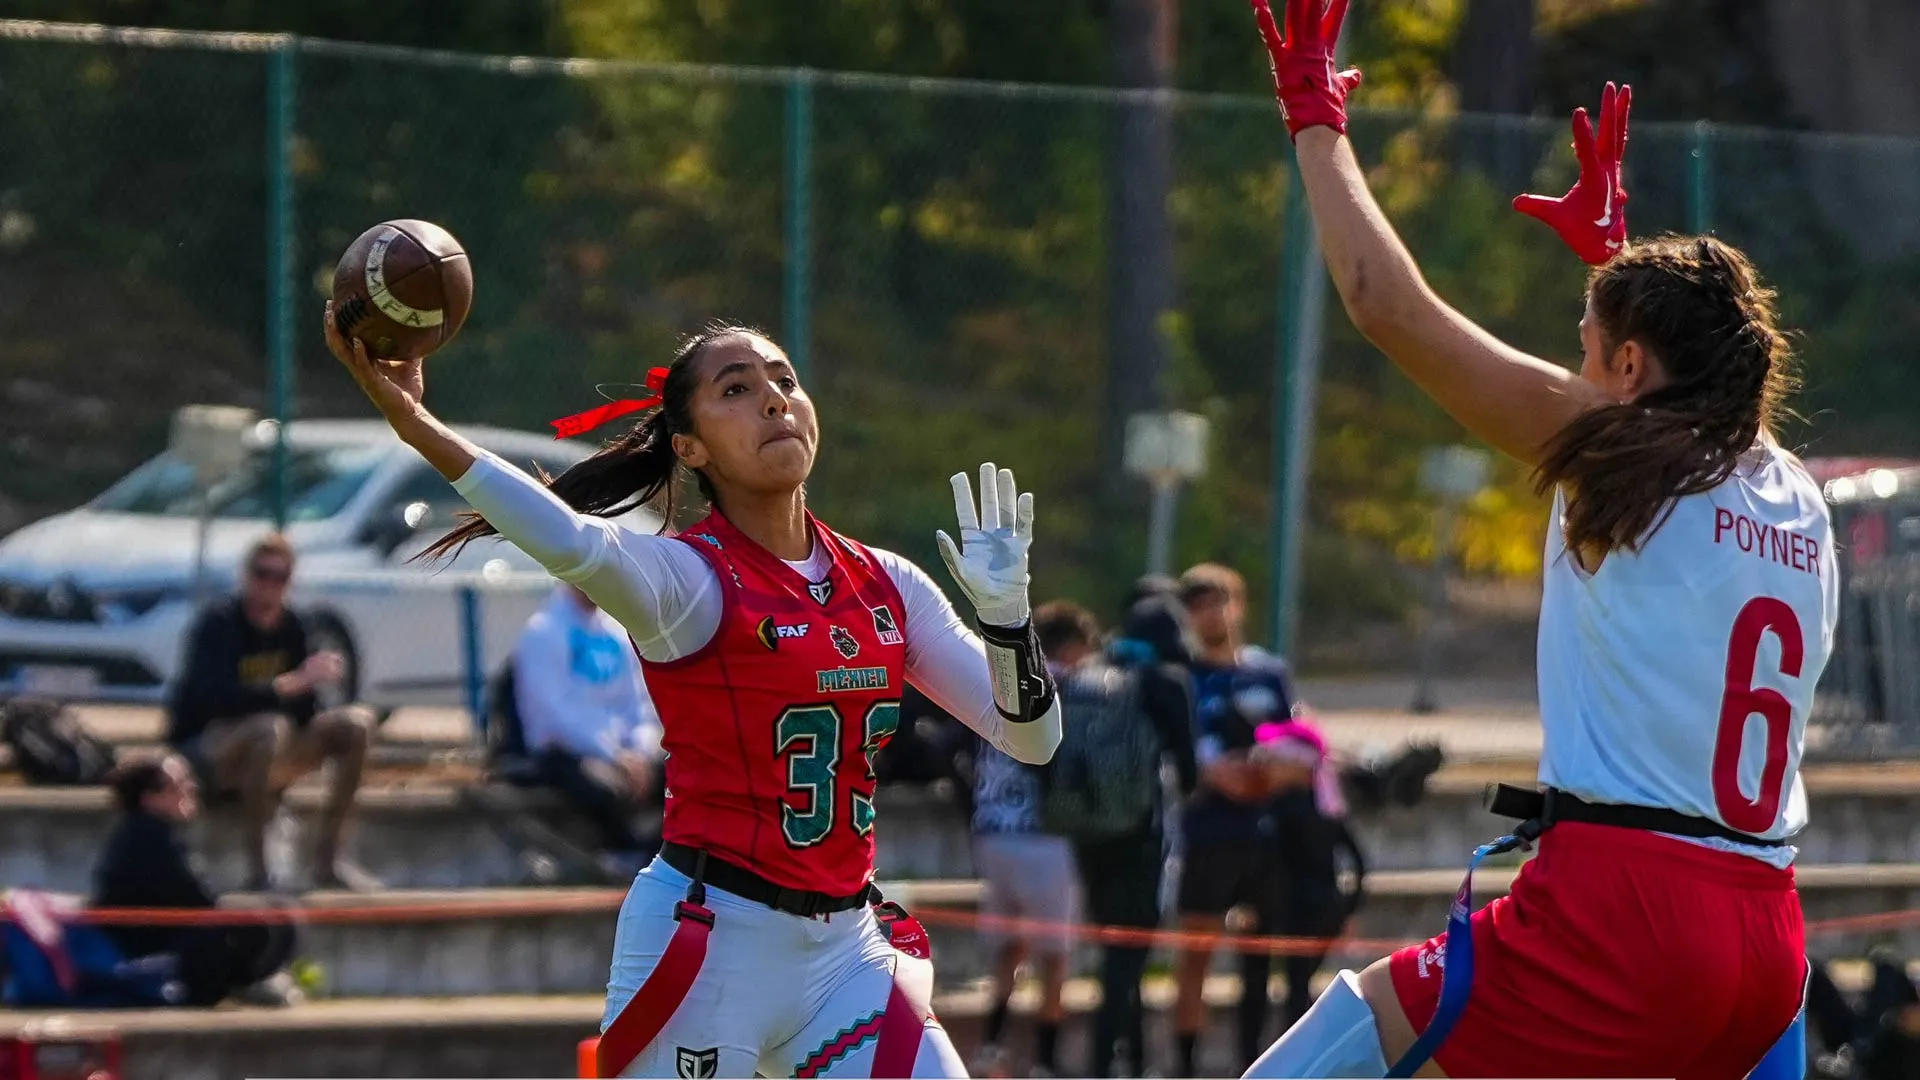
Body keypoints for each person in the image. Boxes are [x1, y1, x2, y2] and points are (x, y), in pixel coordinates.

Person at [1242, 3, 1836, 1076]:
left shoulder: (1623, 460)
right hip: (1766, 935)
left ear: (1629, 369)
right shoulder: (1795, 490)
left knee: (1347, 1034)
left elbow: (1384, 305)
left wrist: (1313, 118)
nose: (1574, 369)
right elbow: (1685, 404)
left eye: (1588, 346)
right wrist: (1616, 263)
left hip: (1628, 917)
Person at [322, 310, 1062, 1079]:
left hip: (847, 950)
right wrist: (416, 425)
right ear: (690, 446)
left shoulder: (887, 581)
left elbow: (1032, 738)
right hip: (710, 941)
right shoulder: (689, 580)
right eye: (736, 389)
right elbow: (571, 539)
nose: (774, 399)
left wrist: (1009, 620)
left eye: (785, 380)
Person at [166, 533, 379, 892]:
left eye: (280, 577)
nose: (269, 585)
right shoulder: (218, 624)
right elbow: (212, 700)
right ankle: (259, 870)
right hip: (207, 750)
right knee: (268, 728)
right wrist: (289, 684)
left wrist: (317, 682)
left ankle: (329, 861)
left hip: (273, 750)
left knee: (356, 724)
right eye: (262, 574)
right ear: (246, 575)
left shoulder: (293, 626)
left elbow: (303, 715)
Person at [1172, 562, 1301, 1075]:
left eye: (1220, 601)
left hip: (1267, 833)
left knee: (1261, 957)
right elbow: (1179, 755)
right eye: (1200, 605)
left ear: (1240, 606)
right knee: (1195, 955)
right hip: (1208, 832)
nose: (1212, 614)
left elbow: (1298, 741)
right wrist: (1211, 773)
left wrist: (1273, 770)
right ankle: (1185, 1065)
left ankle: (1254, 1064)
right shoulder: (1184, 678)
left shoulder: (1268, 673)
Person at [966, 601, 1096, 1079]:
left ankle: (991, 1048)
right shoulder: (1068, 685)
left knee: (1007, 948)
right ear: (1073, 644)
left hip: (992, 831)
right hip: (1044, 837)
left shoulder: (1002, 680)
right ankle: (1046, 1060)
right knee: (1054, 955)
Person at [1072, 593, 1198, 1079]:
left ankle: (1136, 1061)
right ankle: (1102, 1064)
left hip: (1087, 833)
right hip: (1142, 834)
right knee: (1128, 957)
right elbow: (1188, 770)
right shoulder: (1168, 682)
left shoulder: (1091, 675)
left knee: (1117, 951)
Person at [92, 756, 300, 1006]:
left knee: (273, 913)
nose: (191, 788)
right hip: (148, 948)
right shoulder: (147, 836)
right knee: (255, 924)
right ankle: (225, 988)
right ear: (150, 799)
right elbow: (195, 898)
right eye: (179, 785)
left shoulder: (154, 831)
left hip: (167, 933)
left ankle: (244, 984)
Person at [513, 582, 666, 874]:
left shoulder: (617, 634)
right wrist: (615, 755)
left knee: (682, 773)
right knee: (603, 788)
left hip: (625, 754)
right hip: (564, 750)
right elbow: (555, 713)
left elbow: (639, 704)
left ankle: (656, 854)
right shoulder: (543, 632)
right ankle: (620, 853)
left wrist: (640, 751)